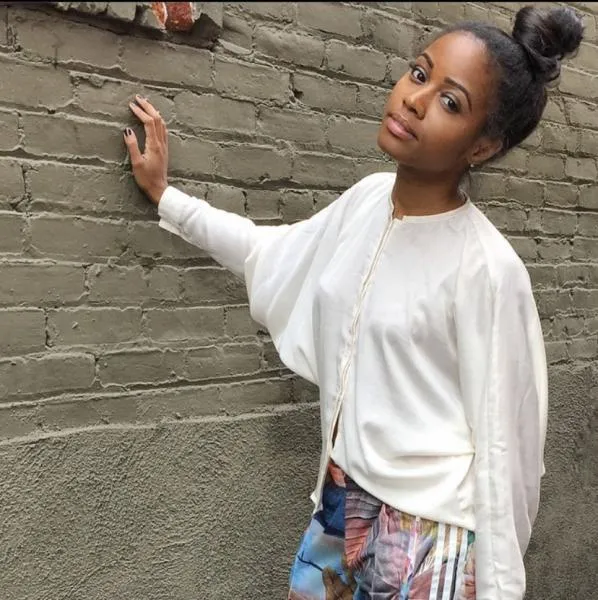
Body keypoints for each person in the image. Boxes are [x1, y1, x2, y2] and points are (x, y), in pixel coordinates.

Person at [121, 5, 584, 599]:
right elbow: (270, 252)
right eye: (419, 74)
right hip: (342, 505)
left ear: (484, 146)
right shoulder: (367, 202)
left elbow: (506, 451)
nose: (415, 100)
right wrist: (167, 197)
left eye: (450, 102)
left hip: (430, 541)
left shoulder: (489, 271)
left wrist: (499, 587)